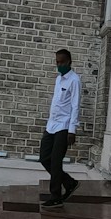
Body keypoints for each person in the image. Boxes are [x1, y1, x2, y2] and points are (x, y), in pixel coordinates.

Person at [40, 49, 83, 205]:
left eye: (62, 62)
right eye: (57, 62)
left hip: (64, 126)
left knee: (56, 161)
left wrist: (72, 130)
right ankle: (69, 182)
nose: (59, 65)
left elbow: (75, 106)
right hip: (52, 125)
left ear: (69, 62)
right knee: (44, 158)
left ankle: (56, 196)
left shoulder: (74, 80)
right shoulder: (59, 79)